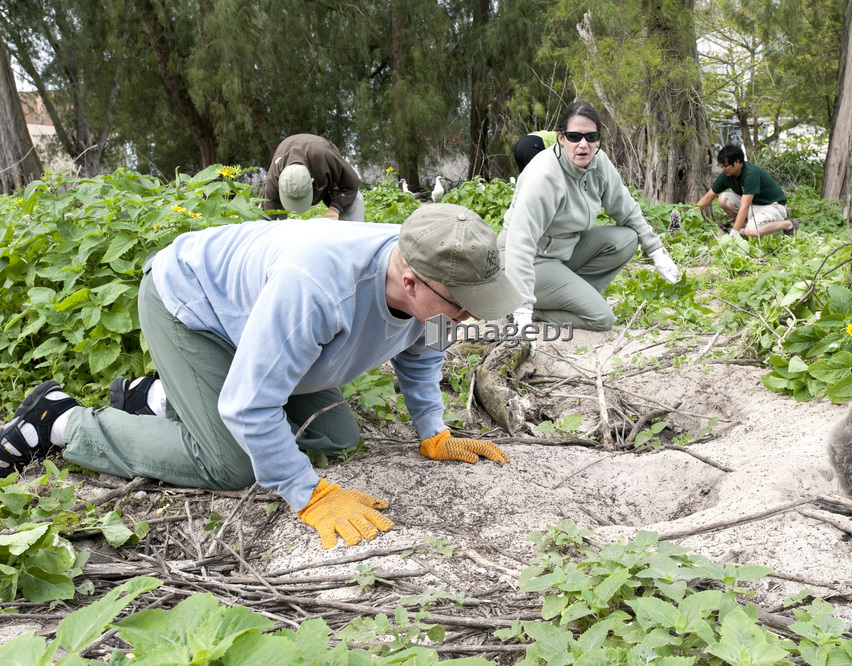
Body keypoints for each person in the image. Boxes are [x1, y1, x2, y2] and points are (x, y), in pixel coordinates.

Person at [0, 204, 523, 549]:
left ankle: (161, 399)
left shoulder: (434, 270)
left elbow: (421, 351)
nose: (471, 318)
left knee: (336, 435)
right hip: (192, 305)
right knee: (232, 464)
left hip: (259, 321)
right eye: (462, 307)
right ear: (409, 280)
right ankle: (62, 422)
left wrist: (433, 430)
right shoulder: (318, 287)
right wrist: (308, 494)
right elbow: (250, 407)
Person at [500, 101, 679, 334]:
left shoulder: (599, 162)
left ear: (598, 139)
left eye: (591, 136)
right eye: (574, 136)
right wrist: (522, 307)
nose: (583, 144)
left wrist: (655, 250)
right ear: (561, 138)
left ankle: (571, 296)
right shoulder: (544, 176)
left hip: (564, 250)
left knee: (626, 239)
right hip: (530, 260)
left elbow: (625, 206)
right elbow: (519, 243)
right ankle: (534, 309)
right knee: (601, 318)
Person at [694, 145, 798, 238]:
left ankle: (788, 224)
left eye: (725, 166)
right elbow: (709, 196)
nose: (722, 169)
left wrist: (734, 232)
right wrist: (692, 214)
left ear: (737, 162)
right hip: (754, 206)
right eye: (721, 166)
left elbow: (744, 206)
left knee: (750, 231)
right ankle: (747, 227)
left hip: (773, 206)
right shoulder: (726, 175)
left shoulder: (751, 174)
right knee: (723, 199)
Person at [262, 134, 365, 221]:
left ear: (311, 181)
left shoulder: (325, 156)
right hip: (298, 169)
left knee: (356, 200)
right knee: (269, 214)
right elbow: (268, 210)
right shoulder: (275, 174)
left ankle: (351, 241)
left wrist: (335, 208)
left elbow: (351, 184)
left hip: (325, 175)